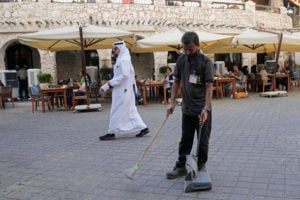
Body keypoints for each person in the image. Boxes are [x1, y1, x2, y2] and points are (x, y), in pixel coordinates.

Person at [165, 31, 213, 179]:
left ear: (197, 46)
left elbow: (209, 87)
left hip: (202, 109)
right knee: (185, 139)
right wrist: (172, 101)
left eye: (190, 50)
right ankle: (181, 167)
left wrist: (206, 108)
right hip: (187, 108)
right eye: (185, 49)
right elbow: (176, 82)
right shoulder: (181, 60)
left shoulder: (206, 62)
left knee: (202, 141)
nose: (187, 52)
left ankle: (200, 166)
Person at [99, 41, 149, 141]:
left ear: (120, 48)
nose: (114, 51)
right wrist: (106, 86)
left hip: (123, 91)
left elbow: (124, 76)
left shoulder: (124, 60)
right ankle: (143, 128)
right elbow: (118, 76)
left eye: (115, 49)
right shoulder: (121, 59)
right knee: (130, 110)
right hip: (122, 90)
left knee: (116, 110)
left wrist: (109, 84)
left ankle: (111, 132)